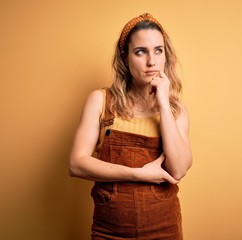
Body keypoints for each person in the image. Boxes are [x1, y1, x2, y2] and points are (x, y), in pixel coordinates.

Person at [69, 13, 192, 240]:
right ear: (125, 57)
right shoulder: (101, 100)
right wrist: (138, 174)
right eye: (140, 52)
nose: (151, 62)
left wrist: (164, 103)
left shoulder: (177, 110)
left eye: (158, 50)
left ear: (166, 55)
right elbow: (76, 164)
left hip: (165, 231)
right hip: (110, 232)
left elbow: (179, 170)